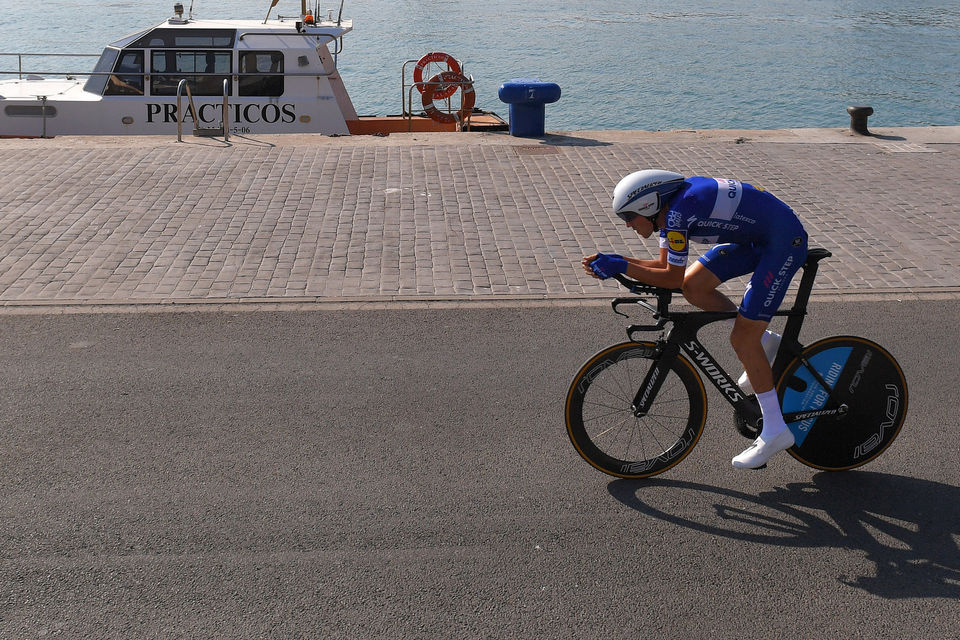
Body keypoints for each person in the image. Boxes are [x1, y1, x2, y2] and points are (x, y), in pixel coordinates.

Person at [581, 169, 808, 469]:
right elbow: (666, 268)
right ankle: (766, 343)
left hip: (782, 241)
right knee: (694, 286)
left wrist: (622, 263)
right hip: (758, 238)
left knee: (742, 338)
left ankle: (776, 429)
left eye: (629, 217)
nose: (628, 225)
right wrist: (617, 262)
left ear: (649, 206)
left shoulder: (678, 213)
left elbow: (670, 278)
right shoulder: (670, 212)